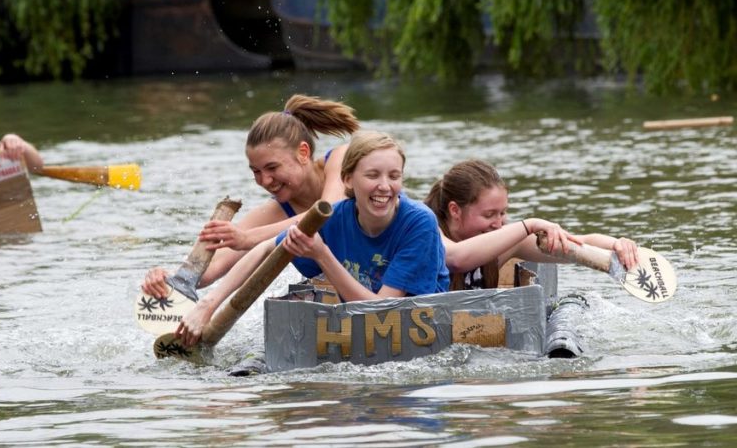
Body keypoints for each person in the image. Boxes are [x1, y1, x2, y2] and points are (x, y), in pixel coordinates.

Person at [176, 130, 449, 346]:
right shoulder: (335, 217)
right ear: (348, 180)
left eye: (394, 176)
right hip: (365, 324)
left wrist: (322, 254)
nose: (385, 186)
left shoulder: (419, 222)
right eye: (372, 175)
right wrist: (207, 305)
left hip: (417, 329)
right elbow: (263, 250)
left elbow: (383, 312)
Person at [142, 94, 359, 299]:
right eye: (256, 171)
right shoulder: (273, 213)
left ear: (303, 153)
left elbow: (330, 210)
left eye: (272, 167)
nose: (265, 181)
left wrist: (248, 239)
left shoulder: (343, 158)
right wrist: (166, 279)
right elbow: (210, 269)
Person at [424, 159, 640, 290]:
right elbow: (456, 259)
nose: (498, 224)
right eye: (489, 215)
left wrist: (617, 246)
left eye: (503, 213)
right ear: (455, 210)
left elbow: (578, 243)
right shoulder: (425, 231)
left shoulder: (504, 243)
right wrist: (530, 225)